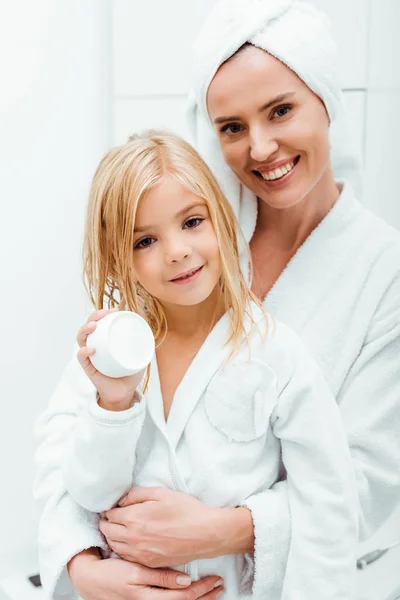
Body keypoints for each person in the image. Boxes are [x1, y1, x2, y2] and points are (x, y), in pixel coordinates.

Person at [34, 0, 400, 599]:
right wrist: (81, 565)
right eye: (232, 127)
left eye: (281, 110)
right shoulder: (187, 228)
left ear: (327, 101)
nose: (260, 148)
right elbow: (74, 421)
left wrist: (217, 532)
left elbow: (359, 484)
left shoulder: (383, 271)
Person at [35, 129, 358, 600]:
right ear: (118, 257)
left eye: (191, 222)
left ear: (221, 219)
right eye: (144, 240)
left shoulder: (274, 353)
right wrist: (114, 404)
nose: (176, 251)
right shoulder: (108, 361)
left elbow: (328, 500)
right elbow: (84, 490)